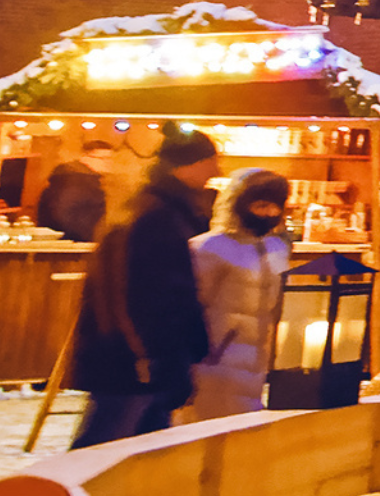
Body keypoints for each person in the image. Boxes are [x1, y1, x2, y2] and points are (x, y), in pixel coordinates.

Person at [69, 126, 219, 448]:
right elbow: (147, 292)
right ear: (188, 164)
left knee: (135, 448)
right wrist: (153, 355)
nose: (216, 170)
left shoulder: (159, 209)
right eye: (210, 161)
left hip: (140, 353)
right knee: (106, 445)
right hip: (136, 356)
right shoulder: (155, 215)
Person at [180, 168, 295, 424]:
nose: (267, 213)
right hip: (214, 361)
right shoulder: (210, 248)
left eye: (274, 207)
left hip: (256, 363)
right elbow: (191, 308)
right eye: (260, 205)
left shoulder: (275, 248)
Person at [36, 140, 115, 242]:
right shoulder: (75, 182)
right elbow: (64, 215)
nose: (108, 163)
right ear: (85, 158)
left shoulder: (78, 180)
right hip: (70, 246)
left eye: (110, 159)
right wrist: (86, 238)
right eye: (103, 159)